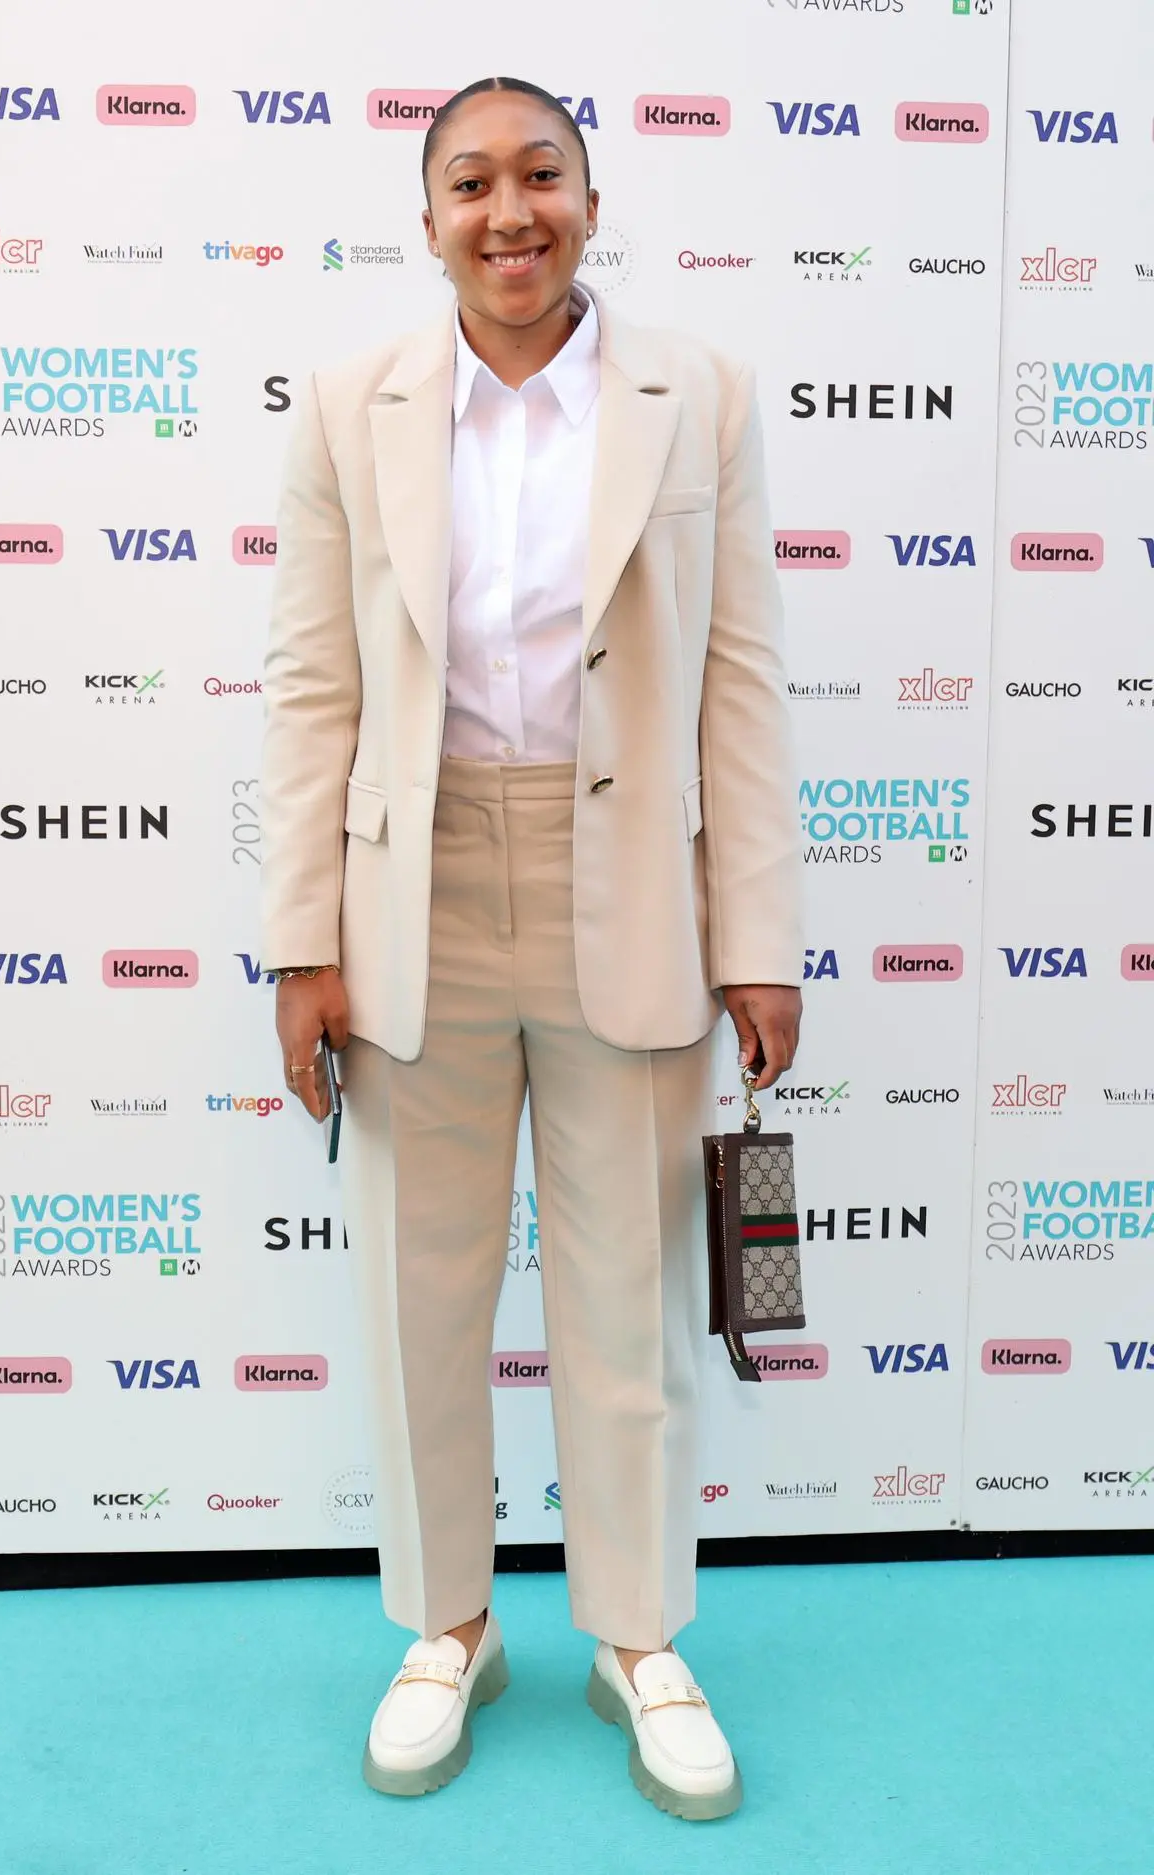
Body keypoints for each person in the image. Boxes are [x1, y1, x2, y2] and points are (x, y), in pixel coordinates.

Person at [259, 74, 803, 1822]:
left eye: (541, 176)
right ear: (427, 219)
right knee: (422, 1299)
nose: (511, 212)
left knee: (627, 1296)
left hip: (626, 880)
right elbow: (312, 688)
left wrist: (760, 938)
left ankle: (638, 1637)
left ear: (591, 195)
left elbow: (740, 679)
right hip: (413, 893)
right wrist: (298, 945)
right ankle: (450, 1624)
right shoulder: (353, 407)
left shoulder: (695, 395)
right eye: (471, 182)